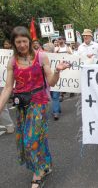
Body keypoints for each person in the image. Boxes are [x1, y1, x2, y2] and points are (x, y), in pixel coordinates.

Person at [0, 26, 70, 188]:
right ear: (14, 43)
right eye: (18, 42)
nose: (22, 45)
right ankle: (46, 165)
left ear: (30, 41)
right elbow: (8, 87)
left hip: (38, 103)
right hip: (21, 106)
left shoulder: (41, 57)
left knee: (31, 140)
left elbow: (51, 82)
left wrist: (58, 71)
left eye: (25, 41)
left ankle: (38, 173)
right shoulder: (12, 61)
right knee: (33, 139)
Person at [43, 42, 62, 120]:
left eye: (45, 49)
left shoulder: (58, 57)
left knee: (55, 96)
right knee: (52, 96)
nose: (44, 51)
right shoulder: (42, 58)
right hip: (47, 80)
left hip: (56, 79)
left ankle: (55, 112)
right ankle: (57, 109)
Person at [0, 39, 15, 134]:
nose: (5, 45)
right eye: (4, 44)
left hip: (2, 81)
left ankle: (9, 124)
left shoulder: (11, 54)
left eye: (7, 43)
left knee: (2, 103)